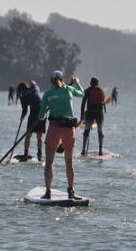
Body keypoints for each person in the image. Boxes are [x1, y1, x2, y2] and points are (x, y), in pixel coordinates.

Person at [38, 71, 84, 200]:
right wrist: (77, 83)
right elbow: (82, 93)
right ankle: (71, 191)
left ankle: (48, 192)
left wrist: (46, 109)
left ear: (51, 81)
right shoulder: (69, 89)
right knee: (69, 163)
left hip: (54, 128)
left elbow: (41, 116)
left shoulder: (47, 94)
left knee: (49, 163)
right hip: (69, 129)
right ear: (62, 79)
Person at [18, 81, 46, 161]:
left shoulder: (23, 96)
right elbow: (34, 83)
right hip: (43, 112)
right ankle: (39, 155)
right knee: (39, 136)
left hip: (34, 113)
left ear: (22, 90)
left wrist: (22, 117)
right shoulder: (34, 88)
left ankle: (25, 155)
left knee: (28, 135)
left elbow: (25, 110)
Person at [80, 76, 107, 156]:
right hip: (99, 113)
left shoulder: (87, 91)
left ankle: (83, 150)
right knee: (100, 131)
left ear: (90, 83)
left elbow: (83, 103)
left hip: (90, 113)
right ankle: (100, 150)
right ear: (98, 83)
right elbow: (103, 103)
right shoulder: (101, 91)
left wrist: (82, 114)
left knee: (86, 131)